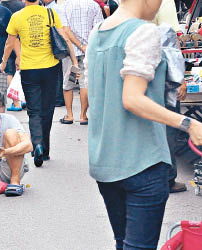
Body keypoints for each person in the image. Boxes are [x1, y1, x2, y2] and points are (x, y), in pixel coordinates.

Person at [85, 0, 202, 249]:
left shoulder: (97, 32)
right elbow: (132, 98)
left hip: (105, 162)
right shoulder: (144, 30)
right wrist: (188, 123)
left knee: (123, 243)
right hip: (143, 161)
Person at [0, 0, 78, 167]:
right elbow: (64, 37)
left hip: (29, 69)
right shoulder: (50, 13)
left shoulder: (17, 16)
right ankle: (46, 149)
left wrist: (4, 61)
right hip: (50, 67)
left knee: (34, 110)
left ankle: (37, 144)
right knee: (47, 109)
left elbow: (9, 42)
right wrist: (74, 62)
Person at [154, 0, 188, 193]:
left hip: (137, 74)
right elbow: (170, 43)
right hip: (163, 74)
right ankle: (167, 179)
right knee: (168, 125)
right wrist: (180, 78)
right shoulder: (164, 2)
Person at [60, 0, 103, 125]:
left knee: (69, 81)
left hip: (71, 53)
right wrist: (86, 46)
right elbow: (98, 29)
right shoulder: (93, 5)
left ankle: (69, 115)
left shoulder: (65, 6)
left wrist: (79, 45)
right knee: (85, 83)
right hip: (88, 52)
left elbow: (66, 30)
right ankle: (83, 116)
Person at [0, 0, 24, 111]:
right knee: (20, 71)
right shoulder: (21, 5)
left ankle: (16, 103)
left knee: (9, 72)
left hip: (9, 42)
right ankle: (23, 100)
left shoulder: (3, 7)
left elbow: (11, 36)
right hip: (23, 42)